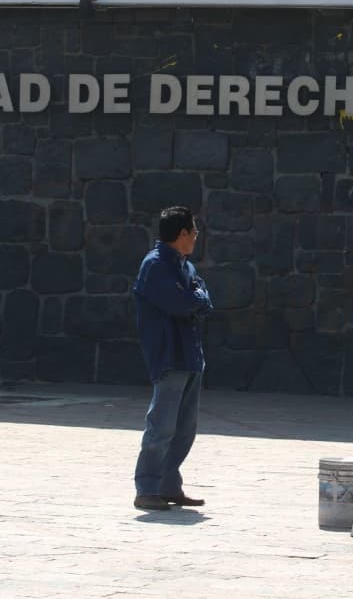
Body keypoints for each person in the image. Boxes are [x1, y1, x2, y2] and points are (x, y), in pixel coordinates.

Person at [132, 206, 213, 511]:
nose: (196, 237)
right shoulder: (155, 266)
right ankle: (146, 488)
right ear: (182, 234)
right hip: (169, 355)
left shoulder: (184, 266)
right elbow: (182, 304)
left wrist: (195, 297)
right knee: (162, 426)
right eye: (194, 232)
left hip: (190, 355)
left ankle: (168, 484)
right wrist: (196, 297)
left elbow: (204, 301)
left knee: (185, 427)